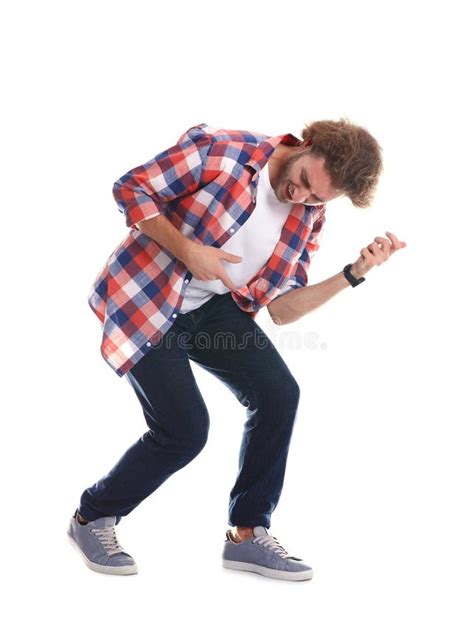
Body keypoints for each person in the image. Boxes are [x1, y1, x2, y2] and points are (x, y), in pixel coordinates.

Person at [67, 120, 406, 581]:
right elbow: (132, 189)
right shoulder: (224, 152)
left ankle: (247, 535)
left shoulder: (308, 215)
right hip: (147, 296)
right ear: (304, 145)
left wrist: (353, 273)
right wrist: (188, 250)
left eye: (317, 197)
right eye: (304, 180)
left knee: (279, 394)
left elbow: (283, 310)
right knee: (185, 430)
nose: (300, 197)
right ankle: (91, 518)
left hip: (209, 310)